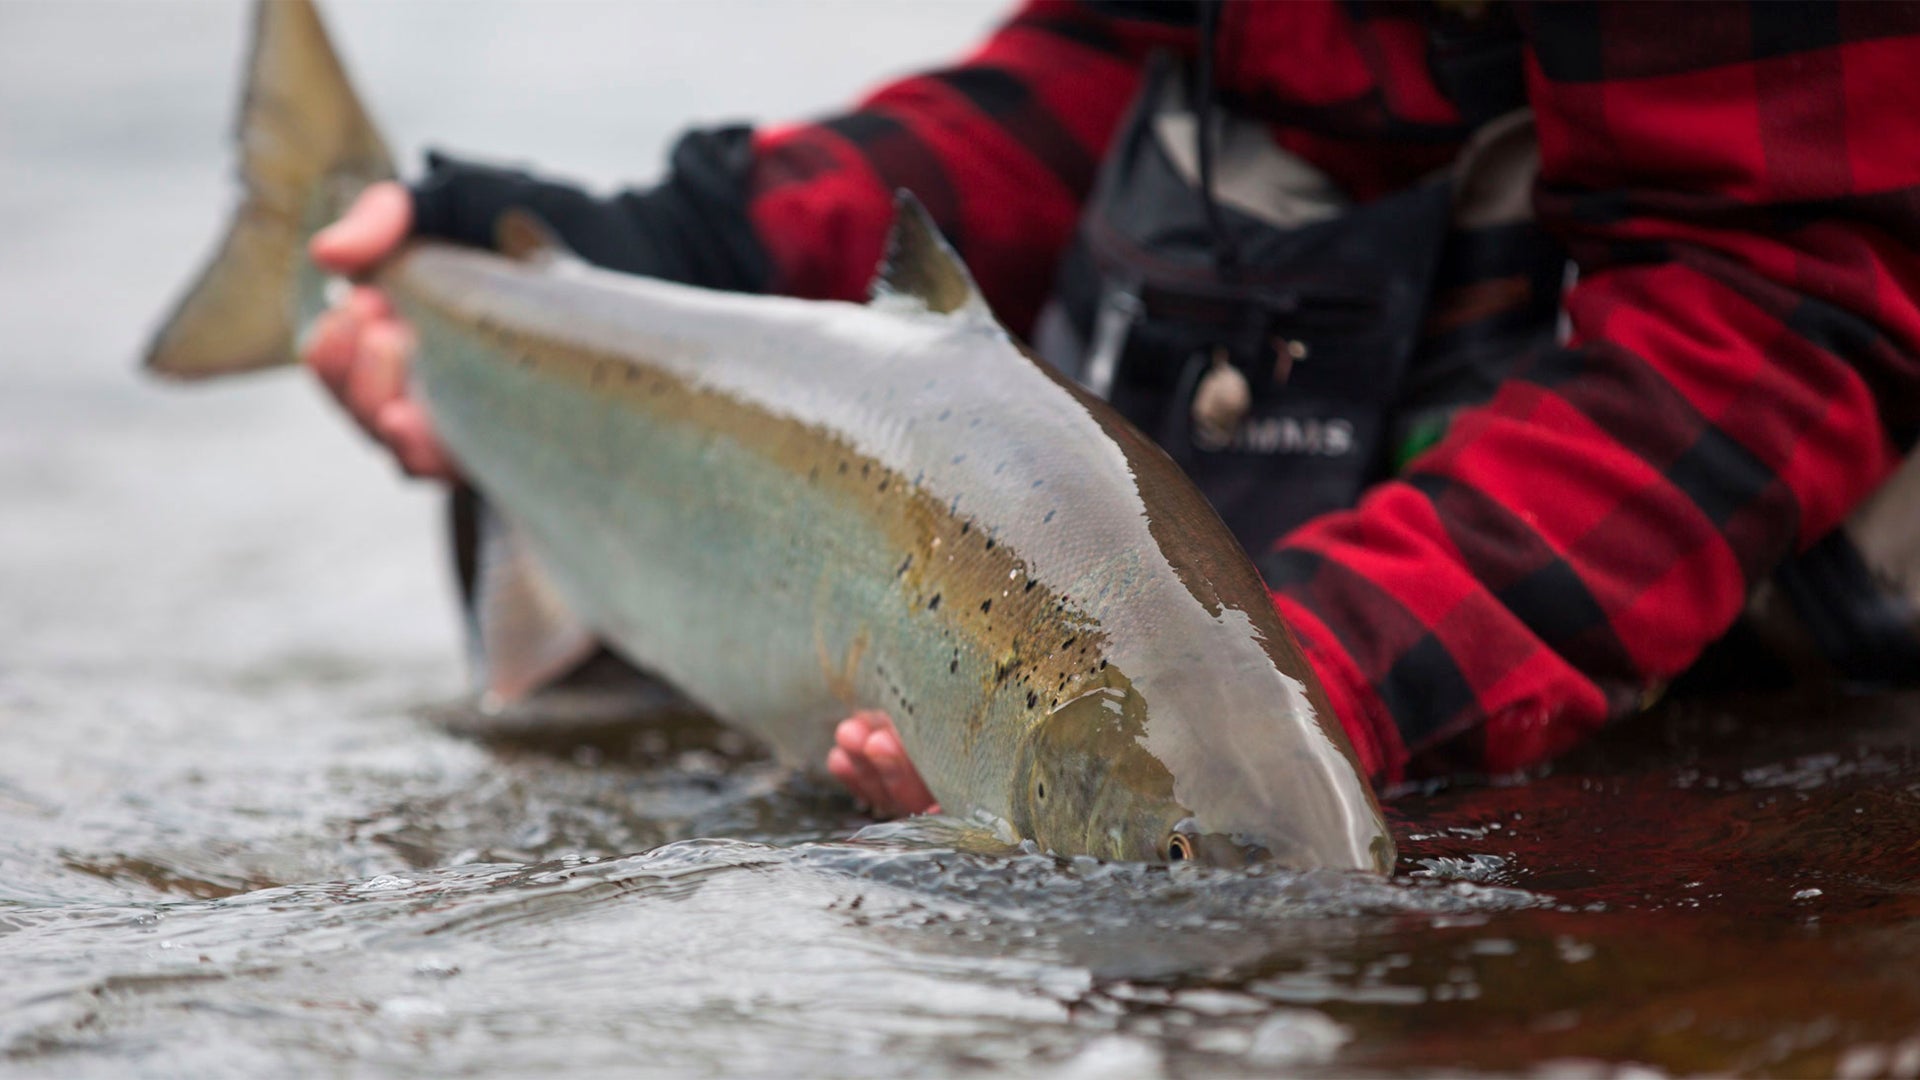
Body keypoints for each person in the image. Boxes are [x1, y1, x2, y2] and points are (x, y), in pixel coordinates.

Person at [303, 1, 1920, 819]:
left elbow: (1788, 301)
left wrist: (1301, 702)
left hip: (1790, 442)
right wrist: (687, 246)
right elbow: (1121, 54)